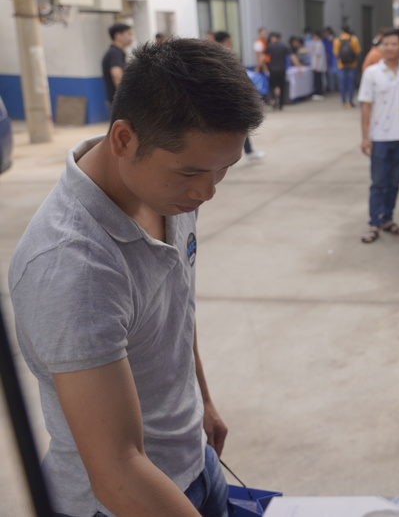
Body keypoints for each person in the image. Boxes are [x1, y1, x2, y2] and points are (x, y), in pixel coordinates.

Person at [9, 38, 264, 517]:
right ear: (124, 138)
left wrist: (202, 402)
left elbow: (174, 304)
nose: (207, 192)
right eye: (192, 171)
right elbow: (118, 473)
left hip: (195, 463)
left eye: (222, 170)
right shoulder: (72, 267)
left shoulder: (171, 193)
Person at [358, 29, 399, 244]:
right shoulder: (372, 73)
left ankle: (388, 219)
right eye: (386, 44)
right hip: (379, 137)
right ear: (381, 46)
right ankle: (373, 223)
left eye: (394, 44)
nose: (390, 48)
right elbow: (366, 106)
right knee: (378, 182)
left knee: (395, 181)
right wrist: (365, 136)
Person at [215, 31, 264, 163]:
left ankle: (246, 153)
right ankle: (243, 154)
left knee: (237, 127)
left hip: (221, 97)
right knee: (239, 126)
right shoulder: (225, 55)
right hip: (229, 97)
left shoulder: (213, 54)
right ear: (227, 41)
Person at [101, 23, 133, 106]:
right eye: (129, 34)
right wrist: (127, 99)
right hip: (120, 103)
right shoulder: (115, 53)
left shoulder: (117, 52)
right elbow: (117, 76)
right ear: (118, 36)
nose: (131, 37)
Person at [264, 32, 299, 110]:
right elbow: (292, 56)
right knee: (281, 86)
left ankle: (273, 99)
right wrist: (298, 66)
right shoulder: (284, 46)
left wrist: (265, 67)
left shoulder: (270, 47)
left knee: (272, 86)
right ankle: (281, 103)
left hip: (273, 70)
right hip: (281, 70)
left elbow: (265, 57)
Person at [334, 26, 361, 107]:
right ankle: (350, 102)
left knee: (342, 83)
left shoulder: (337, 40)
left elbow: (335, 52)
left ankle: (343, 102)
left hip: (341, 64)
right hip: (352, 64)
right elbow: (358, 51)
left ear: (341, 31)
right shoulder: (354, 39)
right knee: (351, 83)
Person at [301, 29, 327, 100]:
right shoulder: (317, 44)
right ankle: (318, 92)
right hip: (316, 65)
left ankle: (319, 93)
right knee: (317, 79)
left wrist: (316, 66)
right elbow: (309, 49)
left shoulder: (319, 44)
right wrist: (301, 50)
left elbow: (318, 56)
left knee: (318, 80)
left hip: (317, 66)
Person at [322, 27, 339, 94]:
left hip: (336, 59)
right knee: (330, 76)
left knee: (337, 75)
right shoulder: (324, 40)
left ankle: (339, 88)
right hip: (329, 60)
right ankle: (332, 88)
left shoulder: (336, 40)